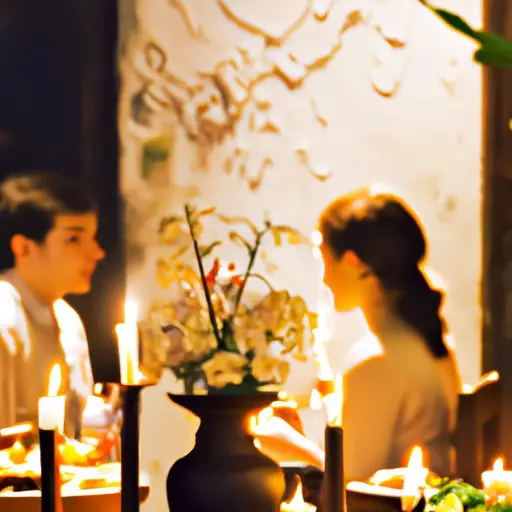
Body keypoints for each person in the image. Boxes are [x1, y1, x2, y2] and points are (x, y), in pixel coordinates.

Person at [254, 186, 461, 480]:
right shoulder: (430, 341)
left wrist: (292, 446)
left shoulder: (375, 364)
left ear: (354, 261)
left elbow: (352, 492)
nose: (324, 278)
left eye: (325, 259)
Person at [0, 171, 107, 437]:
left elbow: (79, 429)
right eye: (73, 239)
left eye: (93, 238)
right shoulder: (5, 316)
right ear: (25, 248)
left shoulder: (68, 318)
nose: (96, 253)